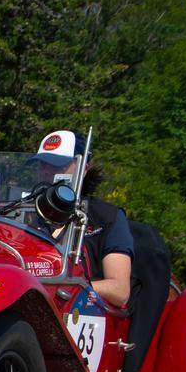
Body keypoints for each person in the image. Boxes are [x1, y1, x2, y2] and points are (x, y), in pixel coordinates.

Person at [33, 130, 132, 308]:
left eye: (57, 165)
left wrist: (62, 287)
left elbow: (120, 290)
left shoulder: (106, 217)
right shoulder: (24, 213)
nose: (47, 171)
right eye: (42, 164)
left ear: (83, 168)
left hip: (81, 311)